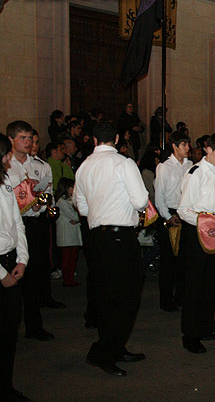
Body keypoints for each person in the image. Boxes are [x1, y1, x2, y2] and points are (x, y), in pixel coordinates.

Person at [73, 121, 148, 377]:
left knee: (107, 294)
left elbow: (81, 207)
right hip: (120, 237)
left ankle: (114, 347)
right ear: (116, 138)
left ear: (94, 140)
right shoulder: (123, 163)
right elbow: (140, 201)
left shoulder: (84, 166)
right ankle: (104, 352)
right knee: (126, 296)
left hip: (96, 238)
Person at [177, 133, 215, 354]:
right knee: (195, 285)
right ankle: (190, 334)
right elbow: (183, 210)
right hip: (197, 233)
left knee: (211, 283)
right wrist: (207, 222)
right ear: (208, 149)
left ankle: (207, 326)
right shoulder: (195, 173)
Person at [6, 121, 61, 344]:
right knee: (12, 276)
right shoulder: (6, 165)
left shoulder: (39, 165)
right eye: (23, 138)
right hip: (13, 224)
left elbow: (47, 193)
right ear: (11, 139)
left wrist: (41, 202)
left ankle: (34, 325)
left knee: (36, 274)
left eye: (30, 138)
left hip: (35, 223)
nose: (28, 143)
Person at [0, 132, 31, 402]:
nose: (9, 159)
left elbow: (17, 224)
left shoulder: (6, 184)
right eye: (7, 154)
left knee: (10, 329)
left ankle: (6, 386)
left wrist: (22, 259)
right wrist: (0, 274)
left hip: (11, 260)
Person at [154, 131, 192, 312]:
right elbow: (159, 196)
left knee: (184, 259)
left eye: (188, 145)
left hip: (185, 212)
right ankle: (166, 299)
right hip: (169, 212)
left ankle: (181, 297)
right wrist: (168, 217)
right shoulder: (164, 167)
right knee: (168, 259)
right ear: (175, 146)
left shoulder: (191, 165)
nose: (187, 148)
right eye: (183, 145)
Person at [54, 178, 82, 287]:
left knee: (73, 257)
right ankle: (67, 279)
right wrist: (79, 218)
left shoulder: (70, 200)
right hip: (66, 233)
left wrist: (78, 218)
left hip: (72, 233)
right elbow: (73, 215)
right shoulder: (62, 201)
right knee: (67, 257)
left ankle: (70, 277)